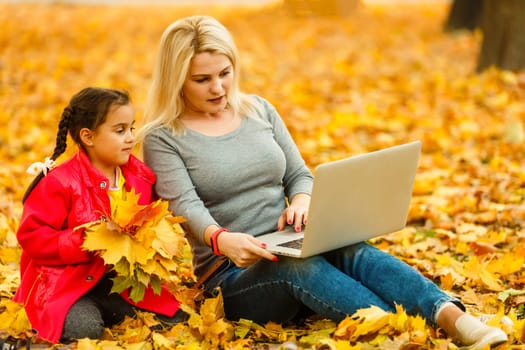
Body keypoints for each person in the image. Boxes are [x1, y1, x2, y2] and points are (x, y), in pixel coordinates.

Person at [139, 15, 509, 349]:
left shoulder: (259, 110)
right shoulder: (163, 137)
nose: (218, 88)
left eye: (225, 72)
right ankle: (407, 333)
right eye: (202, 79)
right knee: (299, 266)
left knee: (351, 249)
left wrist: (301, 201)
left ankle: (454, 318)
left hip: (289, 242)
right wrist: (221, 240)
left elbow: (299, 175)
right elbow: (185, 206)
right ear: (177, 80)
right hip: (231, 275)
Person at [14, 87, 186, 344]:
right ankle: (87, 313)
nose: (130, 137)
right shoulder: (60, 183)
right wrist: (85, 240)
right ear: (88, 136)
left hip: (118, 282)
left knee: (172, 318)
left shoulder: (138, 178)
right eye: (120, 131)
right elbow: (32, 236)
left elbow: (147, 222)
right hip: (67, 284)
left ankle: (111, 308)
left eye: (131, 128)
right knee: (84, 330)